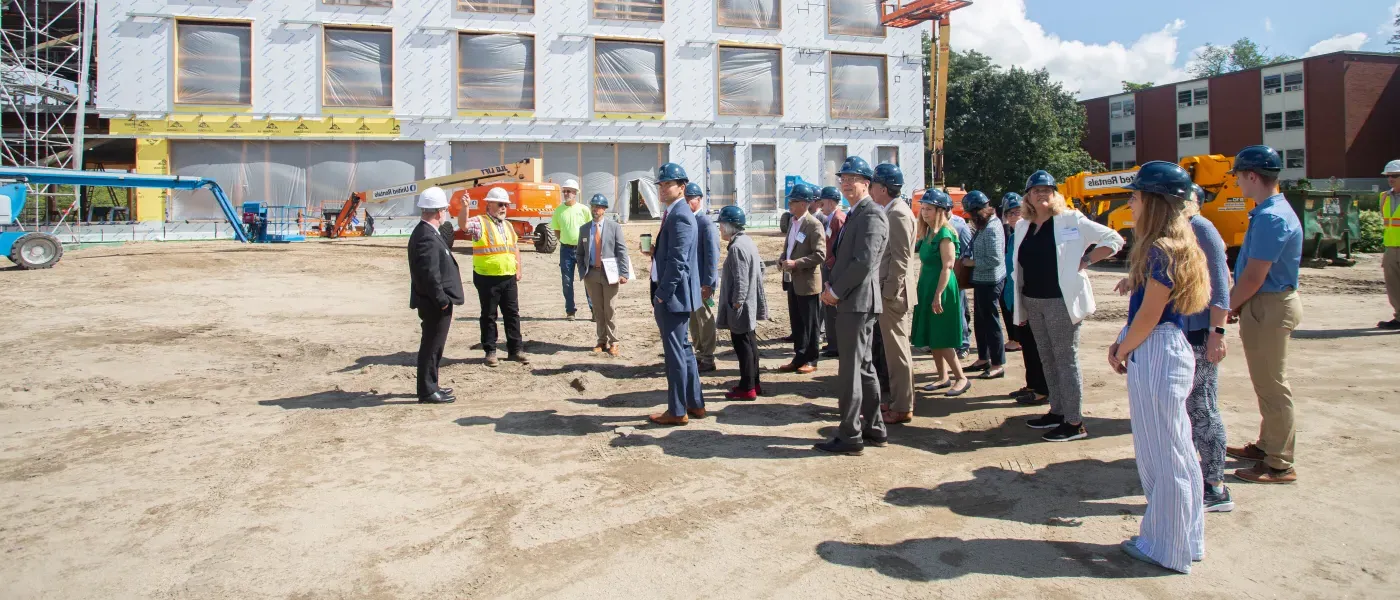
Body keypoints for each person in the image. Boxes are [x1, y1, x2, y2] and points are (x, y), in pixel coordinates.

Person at [1109, 160, 1211, 574]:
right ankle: (1187, 539)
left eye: (1134, 196)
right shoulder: (1175, 246)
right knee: (1178, 450)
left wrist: (1121, 348)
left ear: (1153, 201)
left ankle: (1165, 547)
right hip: (1165, 349)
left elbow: (1150, 315)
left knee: (1162, 455)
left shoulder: (1160, 250)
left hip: (1156, 350)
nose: (1130, 203)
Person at [1012, 170, 1123, 442]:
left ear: (1055, 194)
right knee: (1046, 358)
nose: (1042, 194)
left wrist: (1085, 261)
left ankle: (1074, 422)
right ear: (1028, 197)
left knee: (1065, 359)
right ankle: (1057, 410)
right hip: (1033, 300)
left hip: (1061, 302)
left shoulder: (1071, 219)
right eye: (1036, 190)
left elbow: (1114, 240)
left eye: (1047, 189)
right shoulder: (1023, 226)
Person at [1225, 145, 1304, 484]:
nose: (1237, 184)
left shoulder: (1271, 217)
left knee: (1272, 386)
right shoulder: (1270, 211)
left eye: (1239, 177)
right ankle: (1267, 445)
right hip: (1265, 303)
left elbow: (1255, 276)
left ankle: (1279, 464)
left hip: (1268, 304)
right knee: (1266, 383)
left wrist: (1228, 305)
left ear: (1252, 176)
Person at [817, 156, 889, 455]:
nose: (846, 183)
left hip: (856, 302)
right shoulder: (856, 213)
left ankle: (850, 434)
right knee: (864, 366)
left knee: (850, 369)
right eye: (843, 179)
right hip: (854, 301)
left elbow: (863, 262)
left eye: (852, 179)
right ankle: (873, 427)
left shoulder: (871, 214)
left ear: (866, 184)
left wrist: (835, 290)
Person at [647, 163, 704, 426]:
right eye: (660, 184)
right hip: (675, 296)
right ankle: (694, 403)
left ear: (681, 187)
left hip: (673, 298)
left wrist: (663, 294)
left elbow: (679, 260)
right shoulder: (675, 212)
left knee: (675, 355)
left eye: (667, 184)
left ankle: (677, 410)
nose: (662, 188)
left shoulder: (680, 214)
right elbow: (672, 253)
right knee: (684, 350)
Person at [869, 163, 918, 423]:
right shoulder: (893, 210)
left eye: (874, 185)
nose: (871, 189)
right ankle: (901, 401)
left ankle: (902, 406)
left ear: (884, 188)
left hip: (893, 295)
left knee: (897, 352)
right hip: (891, 292)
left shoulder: (897, 214)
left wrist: (888, 292)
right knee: (895, 351)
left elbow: (901, 258)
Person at [909, 189, 970, 397]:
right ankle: (942, 376)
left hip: (941, 288)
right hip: (927, 285)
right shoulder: (927, 232)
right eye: (923, 208)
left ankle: (961, 378)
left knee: (942, 337)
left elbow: (948, 266)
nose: (924, 213)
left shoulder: (945, 233)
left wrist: (938, 295)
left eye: (929, 209)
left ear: (941, 211)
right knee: (932, 335)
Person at [407, 187, 464, 404]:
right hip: (434, 304)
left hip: (435, 302)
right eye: (445, 210)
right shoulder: (426, 237)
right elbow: (429, 275)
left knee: (435, 347)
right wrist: (442, 301)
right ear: (439, 212)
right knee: (431, 347)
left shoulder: (428, 233)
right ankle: (428, 391)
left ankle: (432, 385)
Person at [463, 187, 529, 367]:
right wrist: (465, 208)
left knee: (512, 314)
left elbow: (514, 247)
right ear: (489, 204)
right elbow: (464, 225)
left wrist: (519, 268)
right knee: (489, 315)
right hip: (487, 277)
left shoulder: (507, 225)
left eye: (505, 205)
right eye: (500, 204)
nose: (503, 208)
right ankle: (490, 351)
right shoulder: (480, 222)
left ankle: (515, 350)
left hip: (508, 276)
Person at [1001, 192, 1049, 406]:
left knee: (1034, 346)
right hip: (1015, 299)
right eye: (1010, 213)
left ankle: (1041, 388)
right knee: (1026, 345)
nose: (1013, 217)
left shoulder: (1030, 233)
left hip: (1028, 298)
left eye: (1017, 212)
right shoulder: (1013, 236)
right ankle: (1031, 384)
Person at [717, 205, 769, 400]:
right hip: (749, 303)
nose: (720, 229)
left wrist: (738, 302)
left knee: (743, 346)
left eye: (722, 225)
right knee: (750, 343)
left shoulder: (737, 247)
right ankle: (754, 383)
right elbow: (761, 268)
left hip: (741, 307)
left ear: (730, 226)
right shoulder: (747, 241)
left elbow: (741, 279)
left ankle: (747, 388)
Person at [778, 183, 827, 374]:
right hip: (792, 280)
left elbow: (820, 255)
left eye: (794, 200)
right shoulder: (792, 221)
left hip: (807, 282)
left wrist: (796, 263)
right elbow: (789, 247)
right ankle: (799, 357)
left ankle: (812, 360)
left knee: (810, 323)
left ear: (805, 204)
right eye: (791, 200)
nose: (790, 203)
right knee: (797, 323)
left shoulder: (814, 225)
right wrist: (783, 258)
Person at [576, 194, 630, 356]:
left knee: (610, 308)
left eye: (599, 207)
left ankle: (614, 342)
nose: (595, 210)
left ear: (604, 210)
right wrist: (583, 271)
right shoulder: (584, 229)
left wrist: (624, 272)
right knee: (598, 310)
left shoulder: (614, 227)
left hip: (610, 274)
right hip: (591, 274)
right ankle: (601, 340)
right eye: (593, 206)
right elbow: (579, 253)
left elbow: (621, 250)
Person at [962, 190, 1007, 379]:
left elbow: (995, 259)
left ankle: (997, 364)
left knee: (991, 323)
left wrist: (971, 263)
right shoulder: (986, 224)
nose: (971, 219)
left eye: (972, 215)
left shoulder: (991, 228)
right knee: (981, 321)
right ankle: (983, 357)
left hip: (990, 282)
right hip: (982, 281)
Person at [685, 183, 720, 372]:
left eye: (691, 198)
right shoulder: (688, 220)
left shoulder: (705, 222)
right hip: (690, 282)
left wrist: (709, 283)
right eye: (686, 198)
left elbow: (712, 255)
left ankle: (708, 357)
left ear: (699, 200)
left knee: (705, 319)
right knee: (693, 320)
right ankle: (699, 354)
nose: (687, 201)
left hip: (702, 283)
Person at [550, 179, 591, 321]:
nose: (566, 193)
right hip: (566, 250)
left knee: (588, 281)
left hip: (582, 249)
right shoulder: (559, 210)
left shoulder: (584, 210)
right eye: (565, 191)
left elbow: (590, 229)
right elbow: (556, 230)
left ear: (575, 193)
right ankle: (570, 311)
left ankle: (594, 310)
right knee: (567, 281)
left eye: (569, 191)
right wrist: (565, 240)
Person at [819, 185, 847, 358]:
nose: (821, 204)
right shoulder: (830, 218)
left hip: (833, 268)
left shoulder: (838, 218)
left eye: (823, 201)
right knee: (827, 308)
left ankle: (836, 345)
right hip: (828, 266)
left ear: (829, 201)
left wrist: (830, 263)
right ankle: (831, 342)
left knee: (832, 308)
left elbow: (840, 247)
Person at [949, 209, 975, 358]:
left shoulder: (959, 225)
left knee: (959, 309)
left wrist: (961, 275)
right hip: (938, 275)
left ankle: (963, 344)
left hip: (956, 274)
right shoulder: (930, 225)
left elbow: (966, 251)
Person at [1379, 160, 1400, 330]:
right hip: (1391, 249)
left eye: (1395, 176)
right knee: (1393, 285)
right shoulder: (1384, 197)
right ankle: (1399, 317)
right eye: (1388, 176)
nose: (1390, 179)